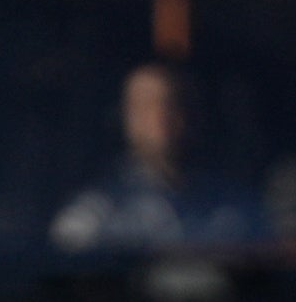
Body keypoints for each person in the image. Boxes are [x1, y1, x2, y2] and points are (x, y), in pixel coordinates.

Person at [50, 61, 250, 253]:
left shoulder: (234, 210)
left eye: (174, 103)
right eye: (146, 105)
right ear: (123, 118)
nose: (161, 116)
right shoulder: (92, 218)